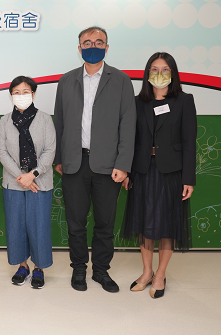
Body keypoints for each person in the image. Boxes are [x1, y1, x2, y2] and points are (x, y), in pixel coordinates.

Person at [53, 26, 136, 293]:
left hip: (108, 166)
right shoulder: (67, 80)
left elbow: (128, 125)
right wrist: (59, 158)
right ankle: (79, 268)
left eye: (99, 42)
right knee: (76, 223)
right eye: (87, 43)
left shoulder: (121, 80)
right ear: (79, 49)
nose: (93, 46)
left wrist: (123, 164)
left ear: (107, 47)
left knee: (104, 223)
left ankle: (101, 270)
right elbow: (60, 123)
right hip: (74, 163)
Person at [122, 52, 196, 299]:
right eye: (154, 69)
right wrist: (127, 172)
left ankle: (161, 274)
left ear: (173, 73)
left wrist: (188, 178)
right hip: (143, 170)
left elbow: (189, 142)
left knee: (166, 226)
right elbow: (130, 140)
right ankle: (146, 272)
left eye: (165, 69)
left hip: (170, 172)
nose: (159, 74)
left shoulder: (184, 100)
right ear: (147, 73)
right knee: (144, 223)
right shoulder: (137, 102)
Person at [0, 76, 56, 289]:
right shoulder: (5, 121)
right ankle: (22, 266)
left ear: (34, 93)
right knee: (15, 226)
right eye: (16, 92)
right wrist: (20, 176)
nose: (21, 96)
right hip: (13, 183)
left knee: (39, 226)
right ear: (11, 95)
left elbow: (50, 151)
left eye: (25, 91)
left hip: (40, 183)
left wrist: (34, 174)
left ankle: (39, 268)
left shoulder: (44, 119)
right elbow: (2, 152)